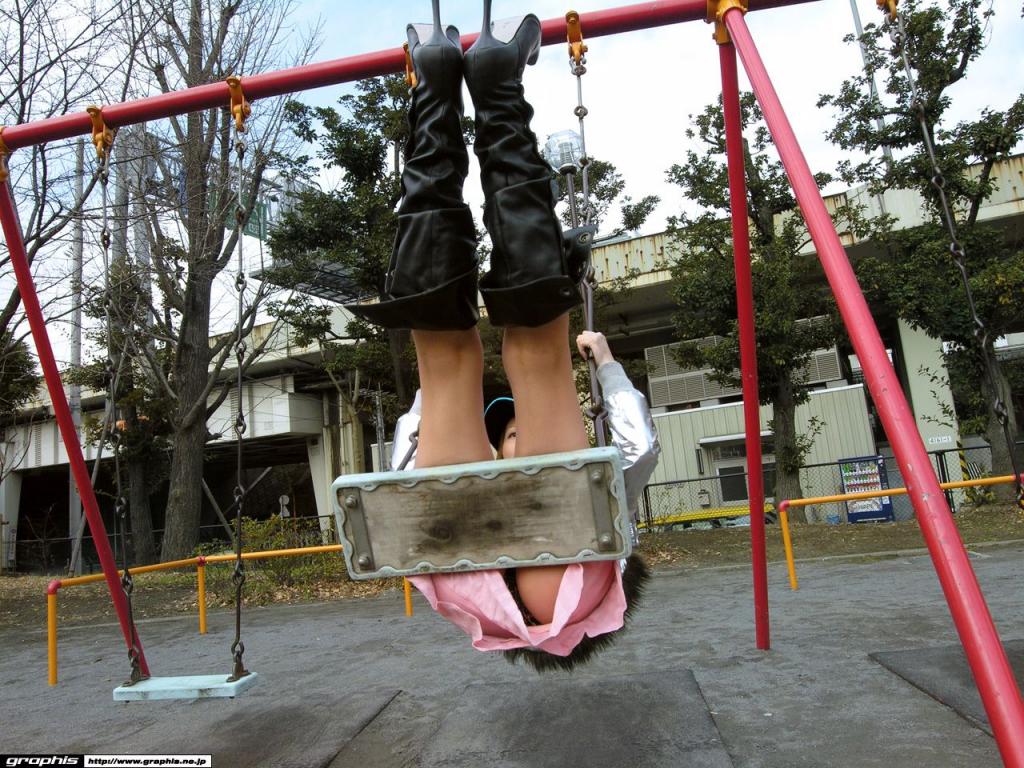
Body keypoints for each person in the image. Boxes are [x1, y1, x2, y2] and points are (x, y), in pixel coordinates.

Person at [345, 4, 660, 671]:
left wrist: (607, 367)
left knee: (527, 361)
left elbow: (639, 445)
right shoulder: (555, 494)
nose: (507, 444)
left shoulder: (604, 505)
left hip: (565, 585)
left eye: (505, 436)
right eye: (507, 437)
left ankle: (494, 83)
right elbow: (409, 449)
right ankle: (436, 84)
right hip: (505, 585)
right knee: (453, 362)